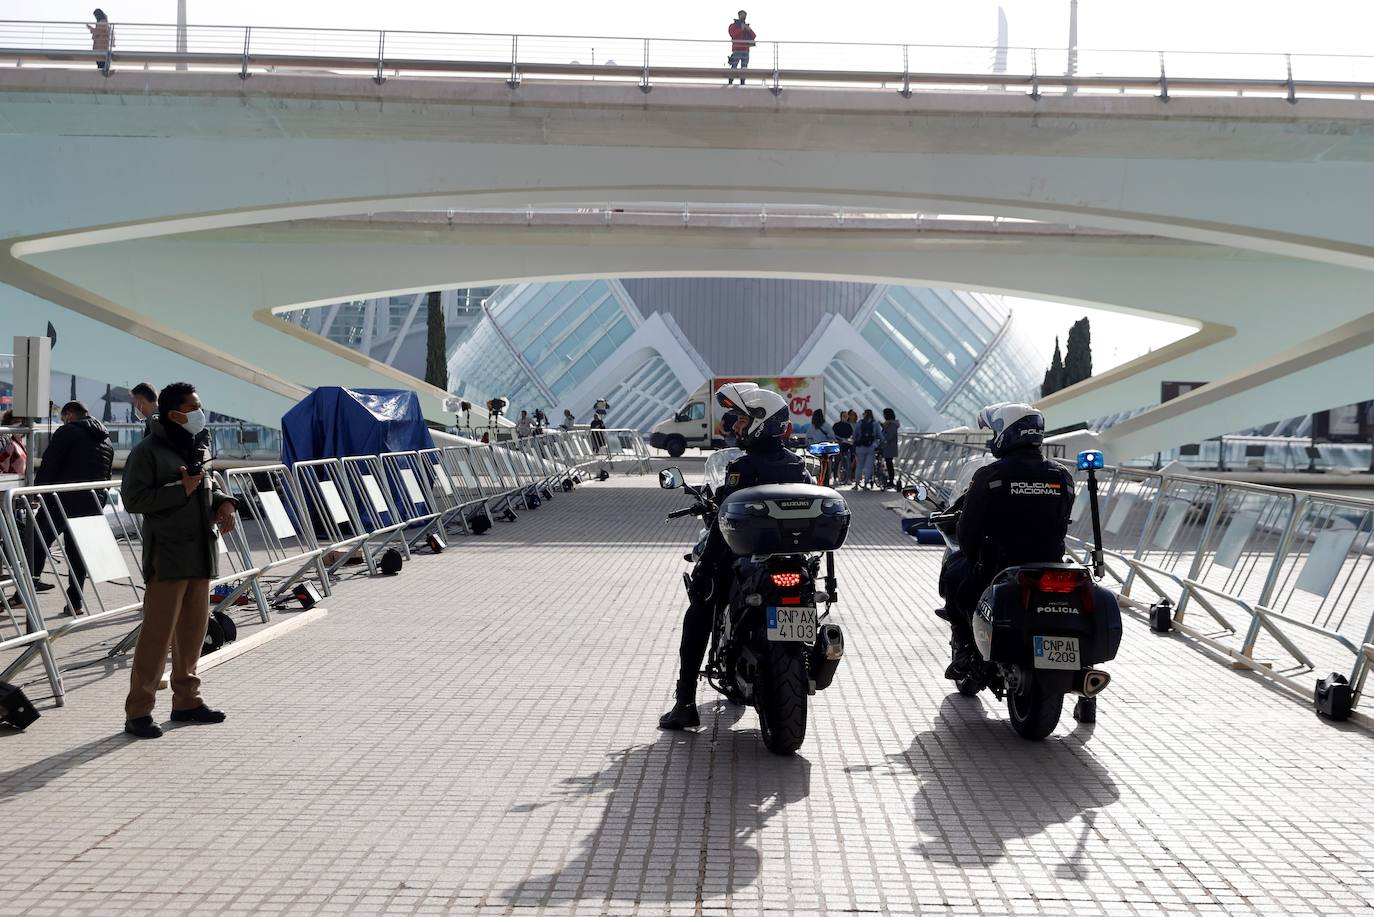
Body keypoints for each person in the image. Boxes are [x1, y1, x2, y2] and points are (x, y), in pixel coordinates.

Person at [660, 383, 813, 730]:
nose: (735, 426)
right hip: (794, 562)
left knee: (700, 604)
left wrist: (704, 569)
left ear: (761, 422)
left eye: (742, 420)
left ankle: (685, 701)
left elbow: (724, 523)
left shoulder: (743, 468)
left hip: (746, 562)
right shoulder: (798, 466)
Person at [121, 382, 240, 739]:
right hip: (168, 556)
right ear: (175, 414)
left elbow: (205, 484)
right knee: (156, 637)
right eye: (194, 407)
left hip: (199, 554)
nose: (200, 413)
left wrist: (224, 501)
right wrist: (179, 490)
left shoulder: (195, 445)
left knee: (193, 633)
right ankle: (138, 711)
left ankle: (187, 701)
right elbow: (134, 499)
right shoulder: (148, 451)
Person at [942, 403, 1075, 681]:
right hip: (1050, 563)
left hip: (1001, 563)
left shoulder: (990, 475)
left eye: (995, 431)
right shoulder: (1062, 476)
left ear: (1006, 432)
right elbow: (1062, 523)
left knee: (955, 574)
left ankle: (966, 648)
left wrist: (973, 555)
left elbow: (967, 532)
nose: (992, 438)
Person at [16, 401, 114, 612]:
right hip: (91, 504)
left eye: (63, 417)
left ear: (70, 414)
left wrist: (37, 493)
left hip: (61, 501)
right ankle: (75, 602)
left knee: (37, 541)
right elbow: (107, 475)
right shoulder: (106, 439)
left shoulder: (68, 431)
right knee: (76, 553)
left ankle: (25, 591)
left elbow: (50, 464)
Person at [726, 11, 756, 85]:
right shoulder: (733, 26)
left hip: (745, 50)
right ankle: (730, 81)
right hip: (737, 49)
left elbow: (754, 36)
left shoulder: (745, 26)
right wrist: (741, 29)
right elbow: (733, 34)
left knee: (744, 68)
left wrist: (749, 30)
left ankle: (742, 82)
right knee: (734, 67)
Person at [853, 409, 880, 490]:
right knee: (868, 467)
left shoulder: (860, 423)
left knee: (859, 466)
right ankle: (865, 485)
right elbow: (879, 435)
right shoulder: (875, 423)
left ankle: (857, 484)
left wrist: (856, 441)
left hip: (860, 447)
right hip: (871, 447)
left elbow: (855, 434)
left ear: (864, 414)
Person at [831, 412, 854, 486]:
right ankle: (835, 478)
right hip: (839, 446)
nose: (845, 417)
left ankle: (847, 479)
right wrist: (839, 439)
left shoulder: (849, 426)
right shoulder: (836, 425)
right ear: (841, 416)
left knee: (847, 462)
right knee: (837, 461)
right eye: (844, 416)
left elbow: (851, 435)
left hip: (847, 446)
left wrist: (849, 440)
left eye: (846, 416)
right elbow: (833, 435)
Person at [0, 411, 26, 477]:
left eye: (20, 422)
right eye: (15, 422)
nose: (19, 425)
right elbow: (2, 470)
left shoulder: (19, 444)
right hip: (13, 484)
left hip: (20, 483)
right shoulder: (10, 445)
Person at [880, 407, 900, 489]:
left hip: (889, 447)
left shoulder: (891, 424)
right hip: (889, 447)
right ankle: (890, 479)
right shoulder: (891, 424)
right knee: (888, 463)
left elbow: (889, 436)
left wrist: (883, 437)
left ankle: (891, 480)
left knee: (889, 463)